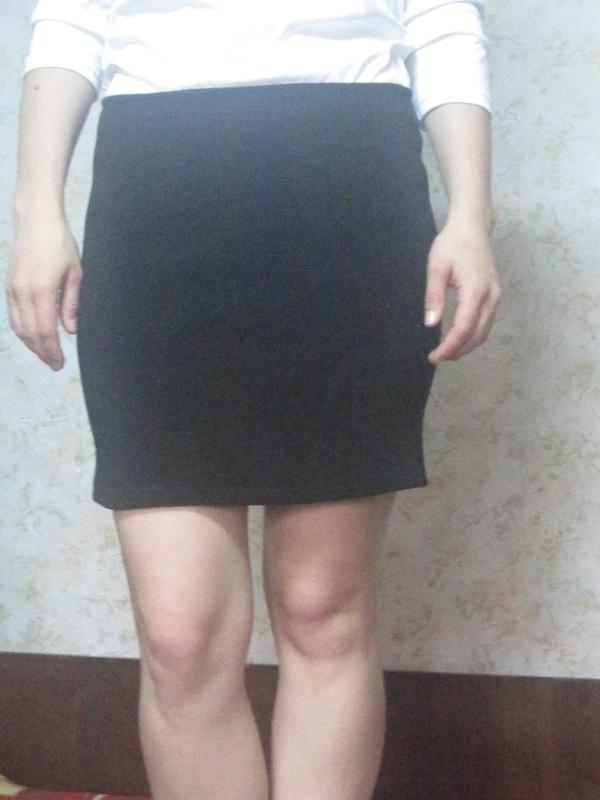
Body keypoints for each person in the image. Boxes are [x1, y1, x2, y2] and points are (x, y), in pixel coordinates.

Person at [6, 1, 501, 798]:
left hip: (350, 206)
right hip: (155, 204)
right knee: (180, 635)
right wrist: (36, 213)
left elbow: (442, 23)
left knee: (321, 607)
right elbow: (70, 21)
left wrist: (473, 216)